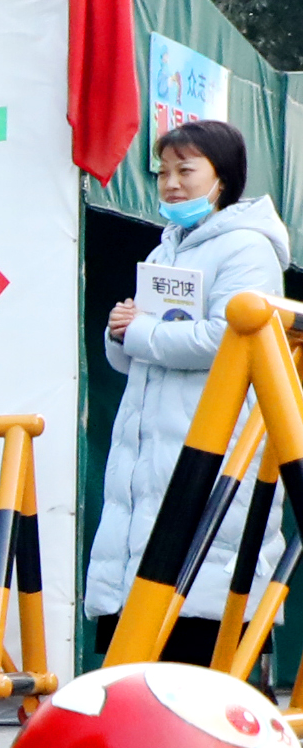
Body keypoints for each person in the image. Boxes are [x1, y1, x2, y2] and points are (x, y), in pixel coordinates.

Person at [94, 118, 292, 665]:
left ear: (222, 178)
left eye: (186, 170)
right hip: (145, 455)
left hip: (213, 448)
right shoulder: (163, 253)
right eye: (162, 173)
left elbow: (226, 337)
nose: (171, 184)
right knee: (132, 641)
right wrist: (121, 331)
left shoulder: (248, 249)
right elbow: (145, 345)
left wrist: (140, 333)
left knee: (199, 622)